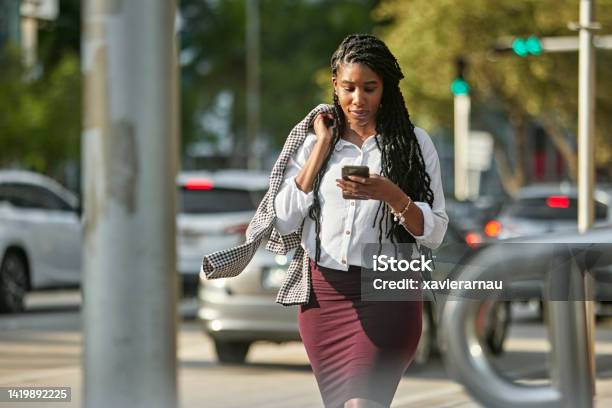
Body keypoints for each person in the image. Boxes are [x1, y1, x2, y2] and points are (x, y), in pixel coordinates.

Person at [272, 34, 448, 408]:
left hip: (389, 290)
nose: (358, 99)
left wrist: (391, 194)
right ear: (335, 85)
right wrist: (321, 147)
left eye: (370, 88)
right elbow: (285, 221)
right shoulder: (312, 142)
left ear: (386, 88)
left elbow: (435, 232)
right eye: (349, 88)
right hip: (324, 298)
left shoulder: (415, 145)